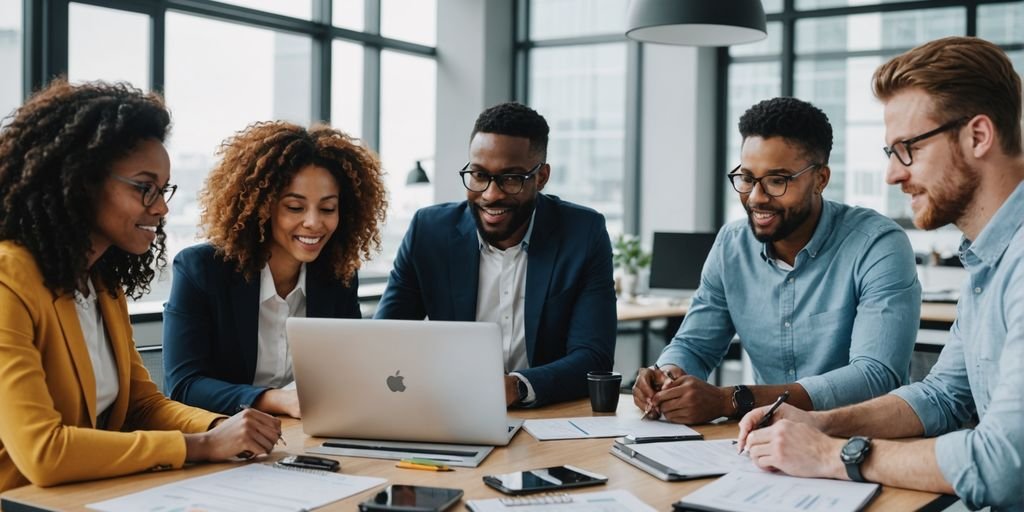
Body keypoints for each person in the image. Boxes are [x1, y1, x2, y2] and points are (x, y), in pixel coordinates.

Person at [737, 37, 1024, 510]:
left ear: (978, 136)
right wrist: (821, 423)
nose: (892, 174)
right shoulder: (987, 259)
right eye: (890, 151)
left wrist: (836, 455)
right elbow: (944, 396)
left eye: (907, 148)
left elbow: (1003, 465)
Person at [0, 79, 280, 493]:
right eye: (144, 187)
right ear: (79, 181)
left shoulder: (102, 284)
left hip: (89, 497)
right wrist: (201, 445)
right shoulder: (9, 280)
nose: (162, 206)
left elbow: (140, 405)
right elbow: (44, 452)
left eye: (163, 188)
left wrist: (227, 427)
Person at [633, 97, 921, 425]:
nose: (756, 197)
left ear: (820, 179)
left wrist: (733, 400)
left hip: (860, 440)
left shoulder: (878, 244)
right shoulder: (731, 245)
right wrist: (668, 374)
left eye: (777, 181)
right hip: (764, 443)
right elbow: (696, 345)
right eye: (747, 178)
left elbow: (875, 376)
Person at [374, 102, 616, 407]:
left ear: (541, 177)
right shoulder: (429, 231)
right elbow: (385, 338)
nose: (491, 194)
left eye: (511, 178)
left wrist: (516, 387)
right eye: (479, 175)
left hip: (546, 418)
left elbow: (593, 358)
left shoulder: (582, 233)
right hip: (451, 408)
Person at [163, 121, 387, 418]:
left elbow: (347, 371)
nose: (313, 222)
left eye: (328, 208)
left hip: (308, 436)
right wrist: (276, 400)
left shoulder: (337, 277)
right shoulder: (202, 270)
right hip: (226, 439)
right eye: (295, 207)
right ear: (261, 208)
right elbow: (183, 385)